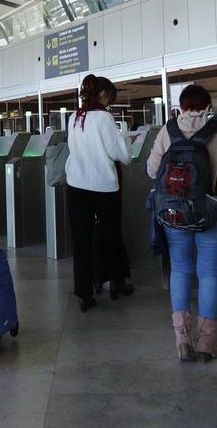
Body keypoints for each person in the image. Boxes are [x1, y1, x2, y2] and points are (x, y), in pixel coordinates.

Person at [146, 84, 217, 362]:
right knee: (209, 273)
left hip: (175, 215)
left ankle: (182, 339)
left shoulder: (168, 130)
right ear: (207, 106)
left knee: (181, 269)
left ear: (181, 105)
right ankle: (206, 342)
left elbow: (151, 170)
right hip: (212, 212)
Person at [64, 74, 133, 313]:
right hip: (103, 187)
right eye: (110, 96)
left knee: (81, 240)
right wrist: (125, 138)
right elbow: (122, 155)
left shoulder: (74, 117)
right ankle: (116, 282)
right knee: (109, 235)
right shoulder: (104, 118)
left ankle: (84, 293)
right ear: (103, 94)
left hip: (75, 185)